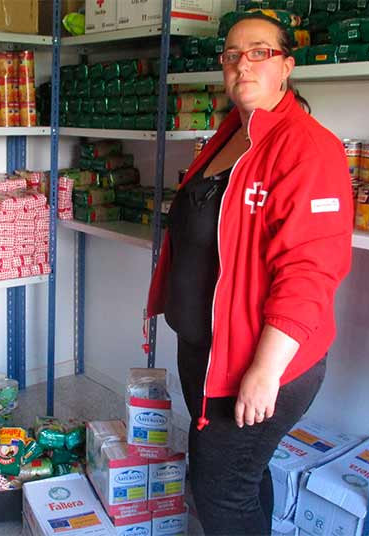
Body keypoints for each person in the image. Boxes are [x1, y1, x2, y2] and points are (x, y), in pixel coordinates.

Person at [146, 13, 353, 535]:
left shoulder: (307, 146)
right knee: (238, 478)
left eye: (259, 52)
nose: (243, 65)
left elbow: (310, 270)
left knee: (219, 494)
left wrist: (265, 372)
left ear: (286, 65)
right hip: (206, 350)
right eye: (233, 55)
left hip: (256, 361)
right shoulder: (228, 136)